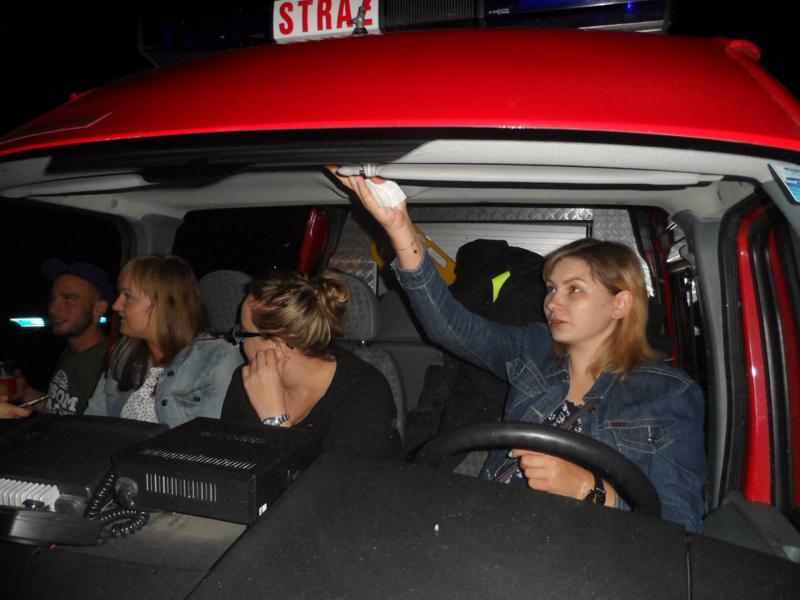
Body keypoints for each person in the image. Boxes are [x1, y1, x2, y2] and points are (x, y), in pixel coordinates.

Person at [330, 168, 706, 532]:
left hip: (583, 553)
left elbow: (680, 528)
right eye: (551, 289)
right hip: (489, 526)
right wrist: (399, 228)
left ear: (620, 304)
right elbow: (449, 326)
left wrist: (587, 489)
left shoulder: (666, 392)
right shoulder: (534, 347)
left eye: (574, 289)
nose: (552, 302)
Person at [221, 270, 404, 460]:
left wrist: (275, 420)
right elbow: (230, 464)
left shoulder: (364, 390)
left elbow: (335, 478)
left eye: (243, 333)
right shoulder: (248, 380)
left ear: (278, 346)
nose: (239, 341)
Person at [84, 255, 242, 427]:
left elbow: (211, 436)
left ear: (163, 304)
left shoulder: (215, 359)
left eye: (128, 296)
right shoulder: (124, 355)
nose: (116, 305)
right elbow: (92, 424)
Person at [16, 259, 115, 415]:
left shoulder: (109, 364)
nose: (53, 309)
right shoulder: (71, 352)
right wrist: (24, 391)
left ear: (99, 309)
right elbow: (59, 409)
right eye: (53, 299)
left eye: (68, 300)